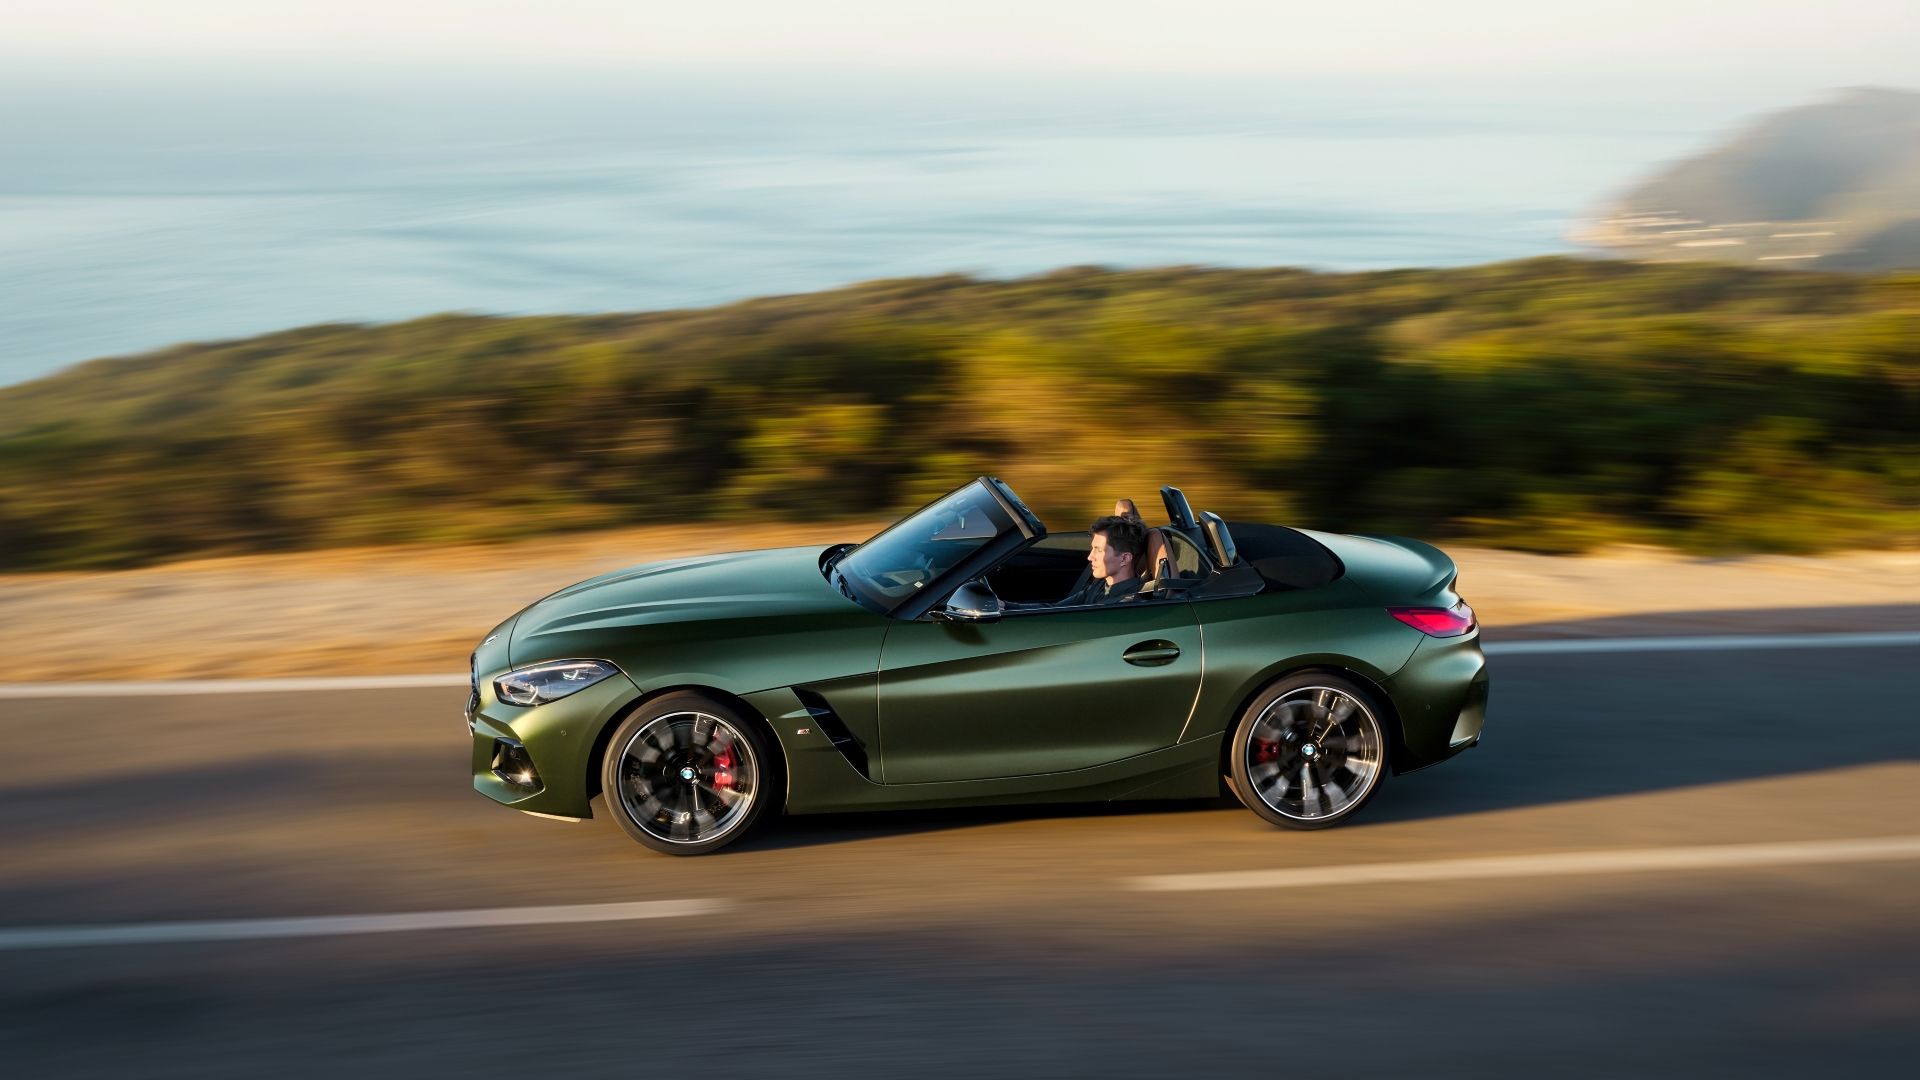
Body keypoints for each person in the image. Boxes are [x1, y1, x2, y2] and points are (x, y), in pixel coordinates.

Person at [1050, 514, 1148, 606]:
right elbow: (1055, 609)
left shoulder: (1125, 605)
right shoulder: (1100, 585)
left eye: (1099, 550)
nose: (1090, 557)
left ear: (1124, 559)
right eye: (1093, 548)